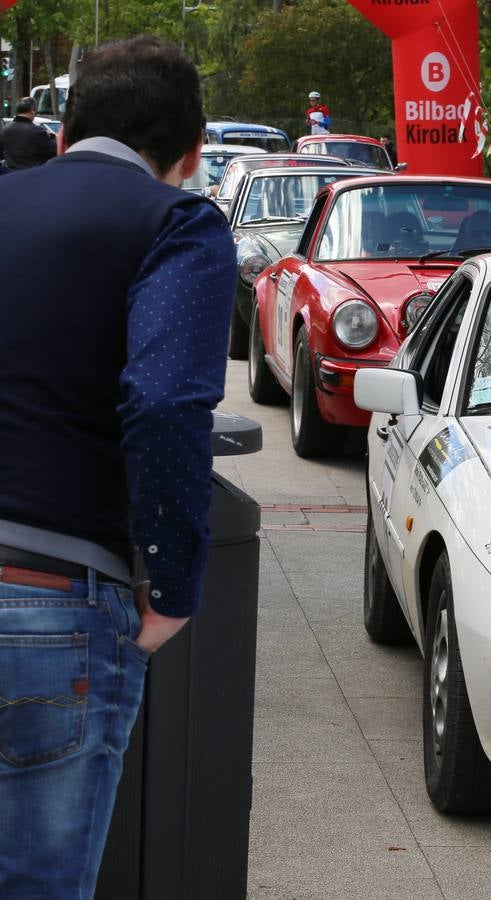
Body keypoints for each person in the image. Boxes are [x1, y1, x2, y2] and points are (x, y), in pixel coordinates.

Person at [0, 35, 234, 897]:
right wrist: (172, 583)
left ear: (63, 134)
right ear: (190, 154)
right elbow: (166, 400)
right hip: (52, 600)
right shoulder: (177, 224)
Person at [2, 97, 57, 171]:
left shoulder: (5, 129)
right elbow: (54, 151)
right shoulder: (37, 131)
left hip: (9, 175)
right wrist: (54, 137)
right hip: (31, 175)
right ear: (32, 111)